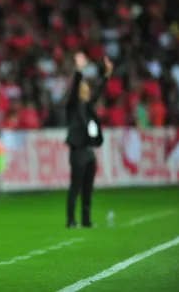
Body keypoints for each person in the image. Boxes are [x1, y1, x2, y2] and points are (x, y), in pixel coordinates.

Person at [65, 52, 113, 228]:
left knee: (87, 189)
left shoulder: (89, 107)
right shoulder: (72, 108)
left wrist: (107, 74)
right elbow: (74, 88)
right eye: (84, 90)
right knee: (75, 188)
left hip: (89, 152)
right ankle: (71, 220)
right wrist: (78, 71)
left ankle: (86, 220)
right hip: (77, 152)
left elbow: (99, 92)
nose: (88, 92)